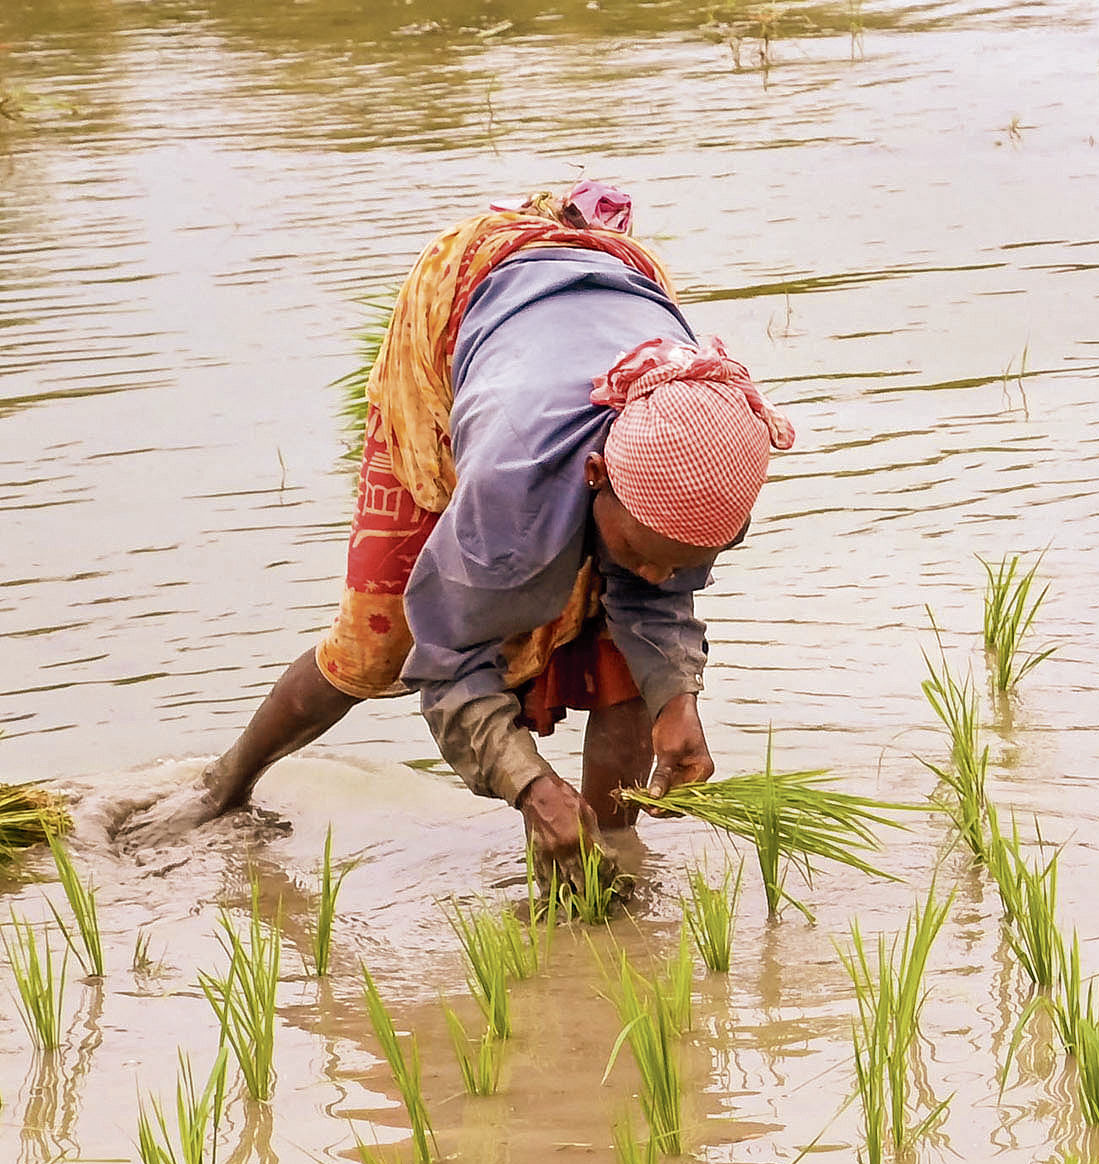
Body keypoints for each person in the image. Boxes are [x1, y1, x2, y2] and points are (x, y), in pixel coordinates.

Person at [173, 183, 792, 881]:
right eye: (644, 556)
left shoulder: (706, 448)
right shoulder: (511, 480)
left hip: (614, 292)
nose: (658, 576)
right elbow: (448, 661)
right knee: (379, 640)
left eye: (680, 564)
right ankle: (224, 784)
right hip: (460, 309)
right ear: (594, 474)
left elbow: (660, 591)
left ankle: (603, 871)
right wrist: (528, 784)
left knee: (621, 654)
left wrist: (676, 699)